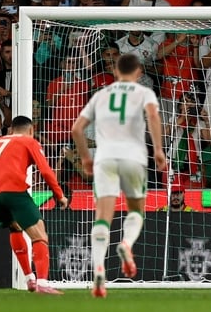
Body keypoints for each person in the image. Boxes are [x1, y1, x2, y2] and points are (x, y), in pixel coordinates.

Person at [71, 53, 167, 298]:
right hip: (134, 156)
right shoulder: (144, 93)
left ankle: (99, 270)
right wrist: (158, 150)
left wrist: (85, 158)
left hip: (105, 158)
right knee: (136, 209)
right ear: (138, 73)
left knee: (103, 217)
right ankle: (126, 244)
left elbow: (76, 129)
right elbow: (154, 117)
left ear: (115, 71)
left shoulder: (101, 95)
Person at [0, 115, 68, 295]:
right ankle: (42, 283)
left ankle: (29, 278)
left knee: (15, 227)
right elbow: (45, 170)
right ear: (31, 130)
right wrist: (59, 195)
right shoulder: (30, 142)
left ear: (11, 130)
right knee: (39, 235)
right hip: (13, 192)